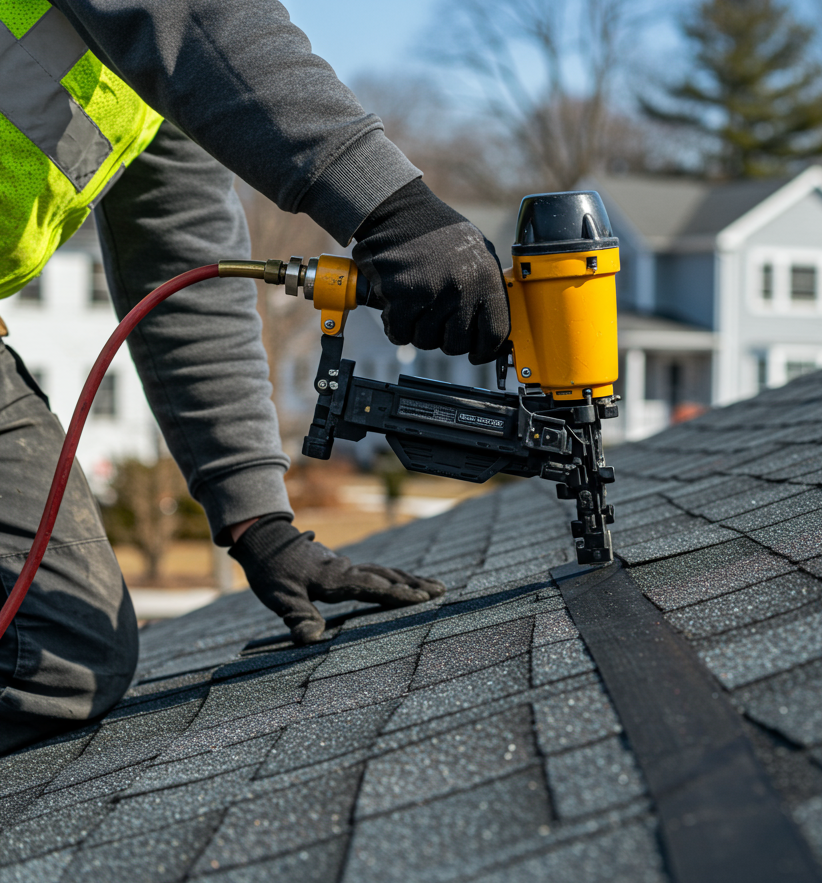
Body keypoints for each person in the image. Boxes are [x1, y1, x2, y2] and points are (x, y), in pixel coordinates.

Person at [0, 0, 510, 753]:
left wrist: (258, 521)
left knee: (58, 656)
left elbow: (182, 253)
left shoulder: (154, 76)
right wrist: (391, 208)